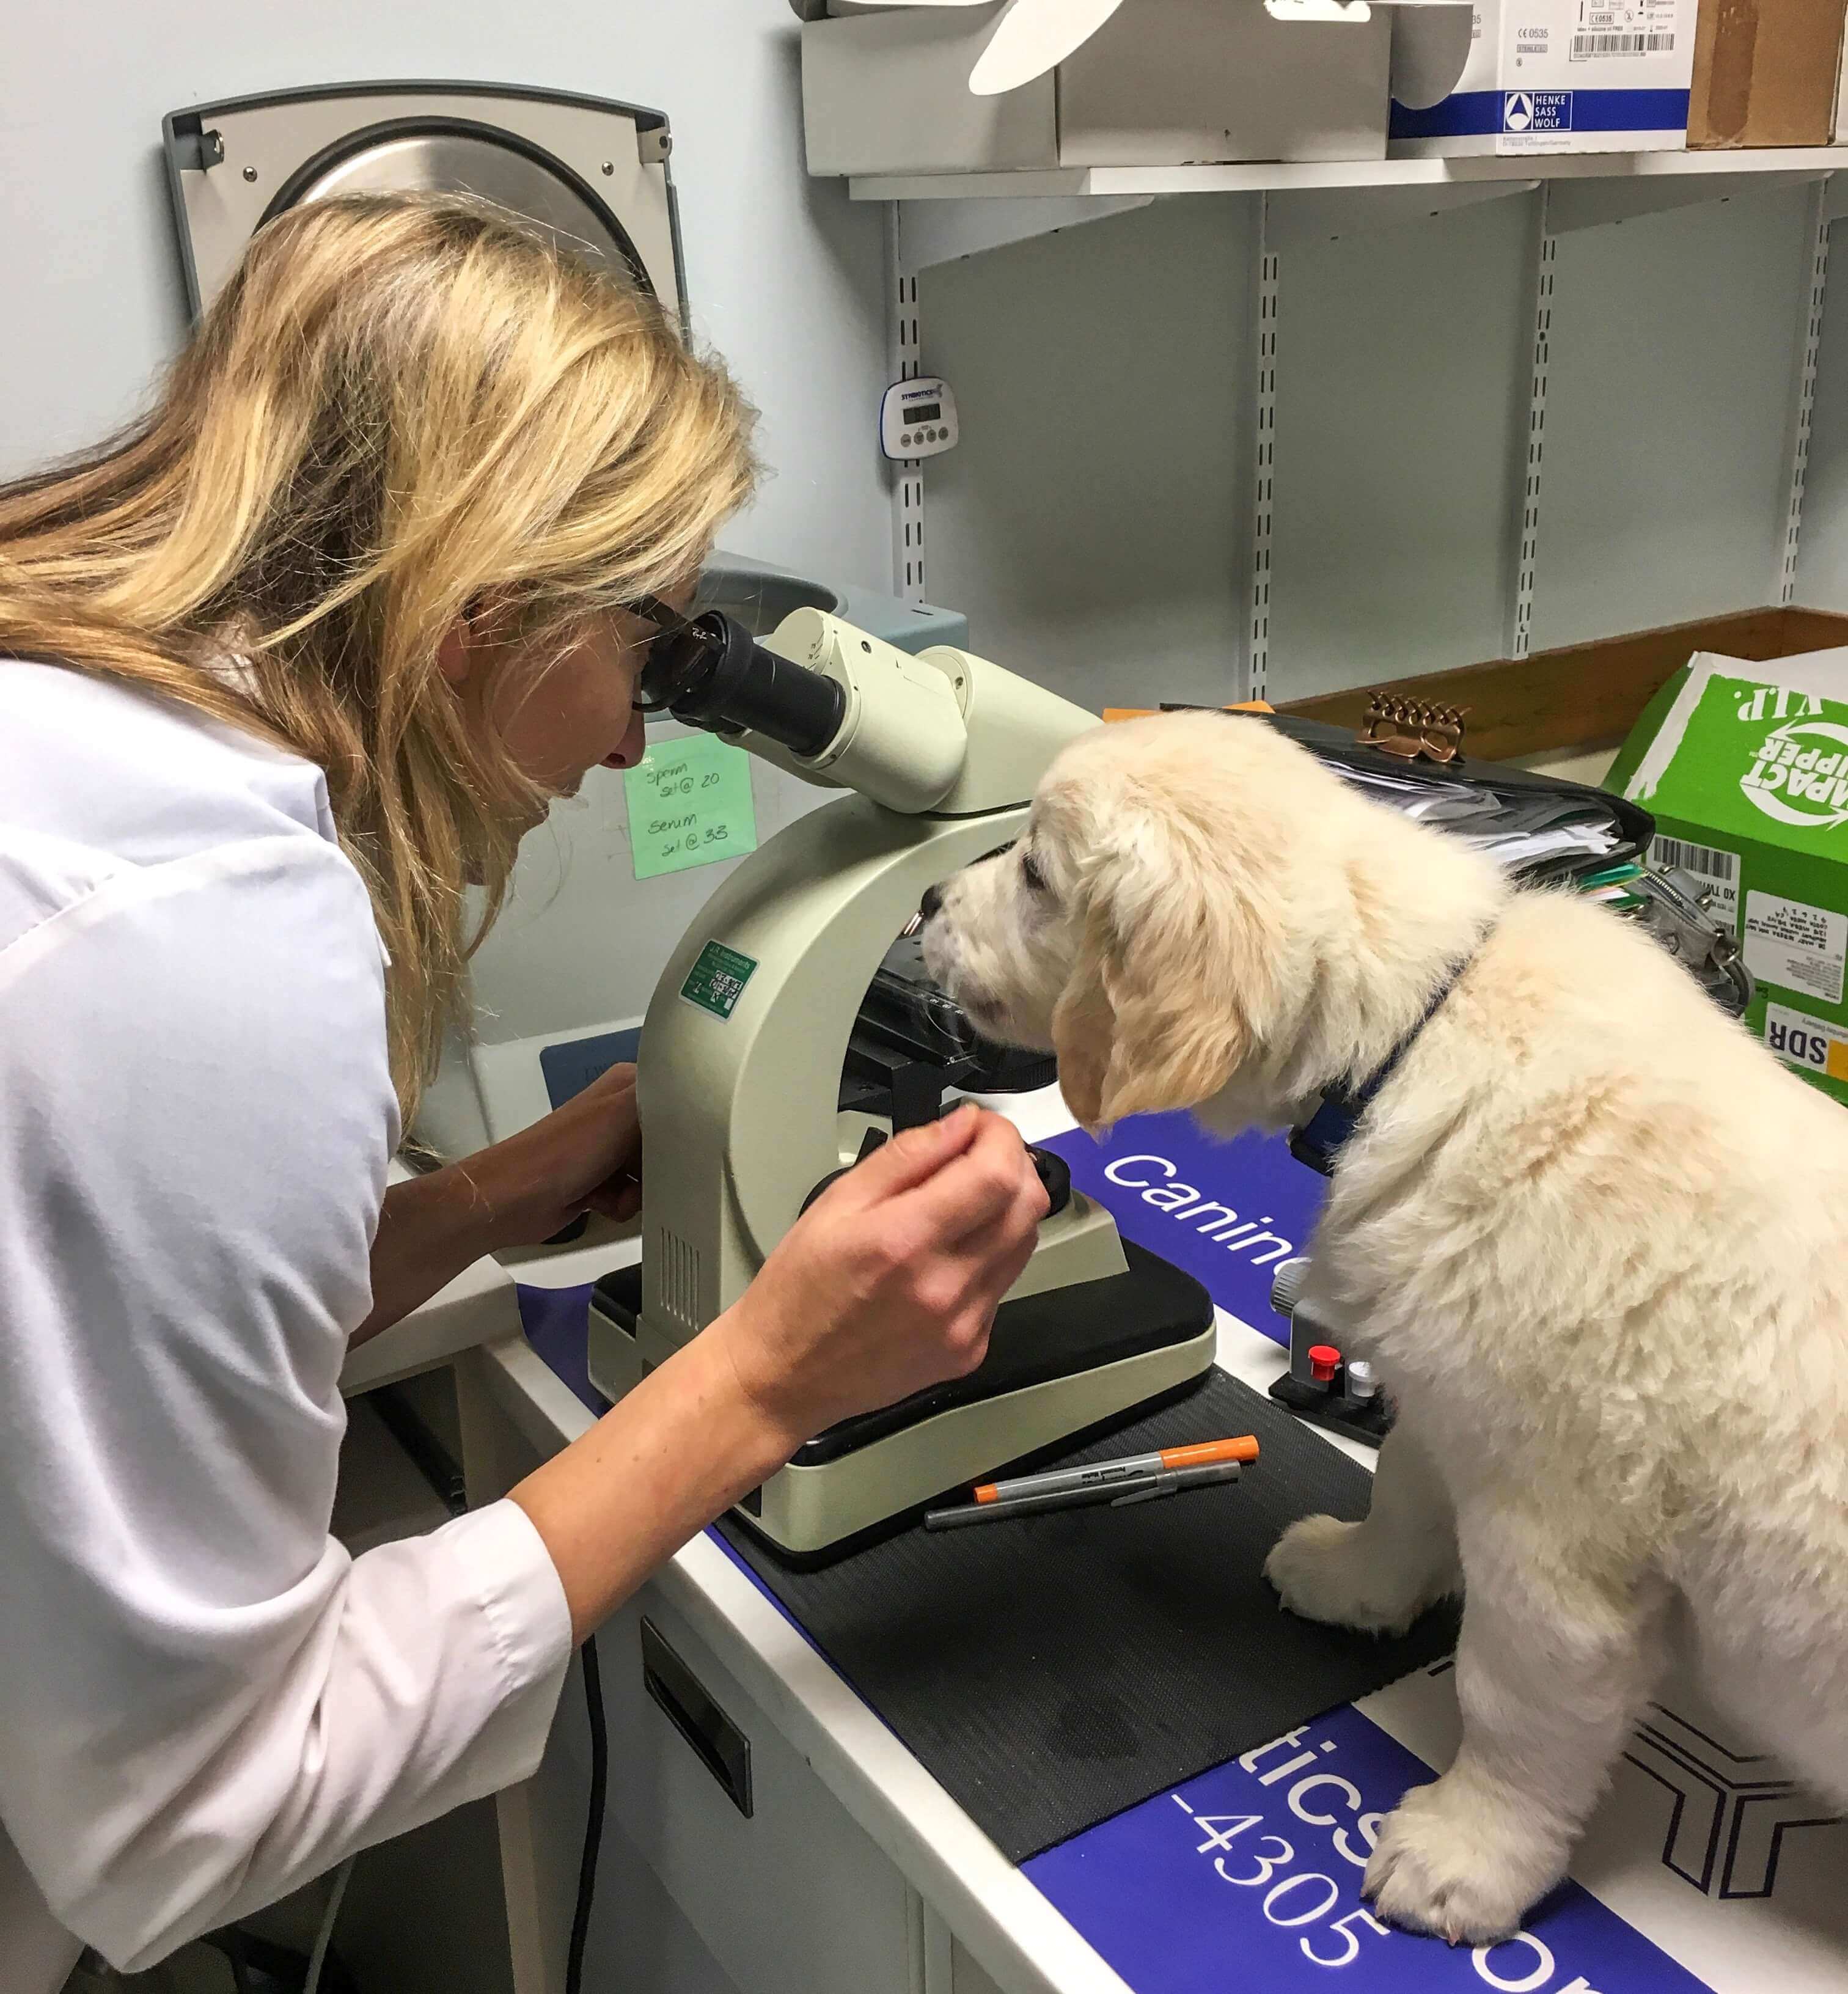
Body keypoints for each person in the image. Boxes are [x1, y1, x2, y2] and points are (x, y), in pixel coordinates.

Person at [0, 191, 1048, 1986]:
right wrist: (769, 1378)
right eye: (649, 648)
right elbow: (195, 1811)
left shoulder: (76, 738)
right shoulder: (201, 937)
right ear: (488, 609)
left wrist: (485, 1202)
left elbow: (64, 1314)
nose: (643, 734)